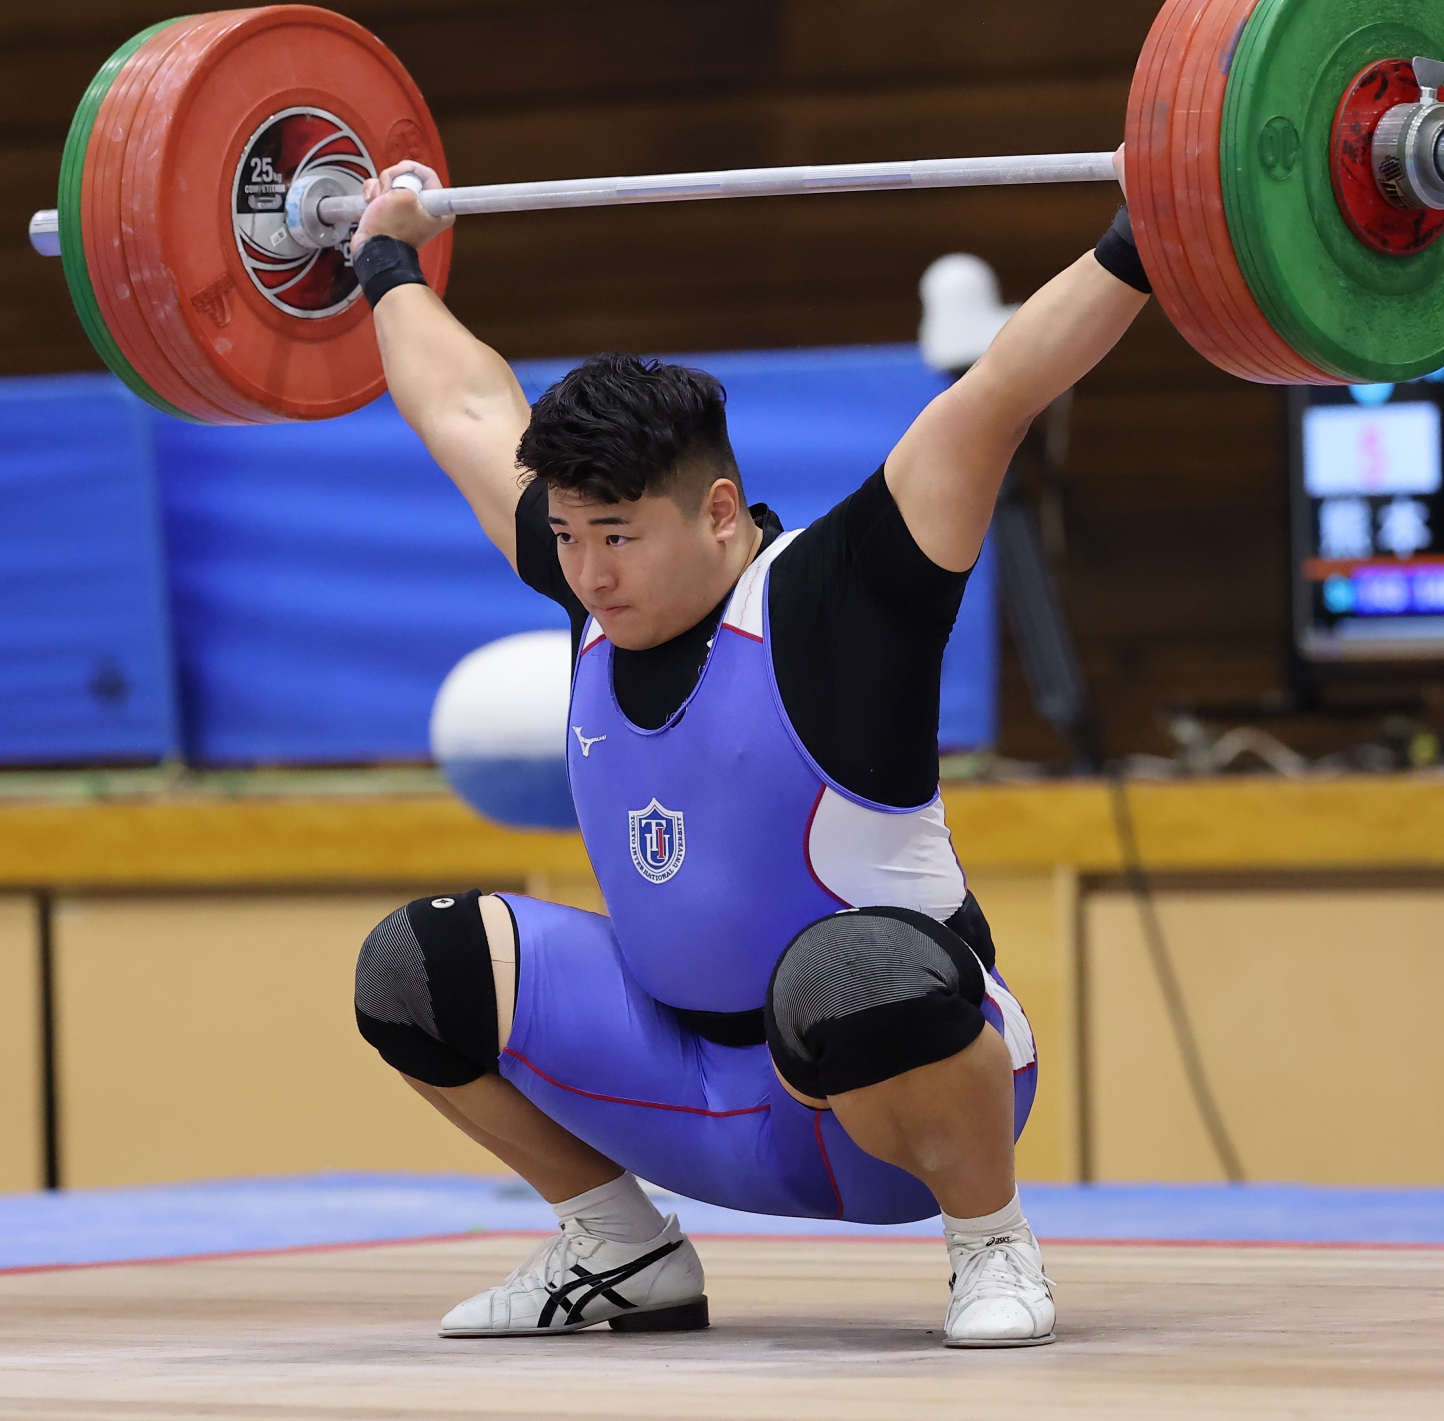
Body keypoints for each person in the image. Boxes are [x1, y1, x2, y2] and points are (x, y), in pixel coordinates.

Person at [344, 159, 1150, 1347]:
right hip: (675, 1088)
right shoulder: (585, 581)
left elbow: (1003, 389)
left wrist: (1150, 235)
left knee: (849, 966)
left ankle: (990, 1240)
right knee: (418, 964)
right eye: (566, 537)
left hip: (876, 1106)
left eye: (616, 536)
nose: (587, 571)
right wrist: (383, 258)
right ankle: (621, 1249)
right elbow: (462, 407)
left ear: (719, 510)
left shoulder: (844, 590)